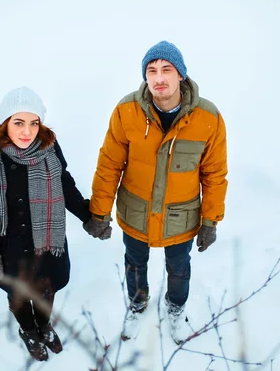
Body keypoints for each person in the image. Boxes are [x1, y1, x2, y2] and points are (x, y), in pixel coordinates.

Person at [83, 41, 228, 344]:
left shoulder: (208, 118)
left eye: (166, 70)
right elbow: (109, 164)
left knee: (179, 269)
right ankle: (137, 306)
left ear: (181, 76)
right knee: (135, 264)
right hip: (136, 212)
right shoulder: (127, 111)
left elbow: (214, 174)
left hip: (180, 217)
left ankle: (175, 310)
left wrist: (210, 220)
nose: (159, 78)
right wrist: (98, 212)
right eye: (152, 71)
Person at [0, 86, 91, 361]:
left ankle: (44, 325)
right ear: (5, 123)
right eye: (18, 123)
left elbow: (64, 183)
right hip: (10, 244)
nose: (27, 131)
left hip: (47, 240)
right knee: (19, 295)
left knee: (47, 290)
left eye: (33, 123)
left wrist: (88, 215)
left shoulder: (49, 147)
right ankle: (28, 330)